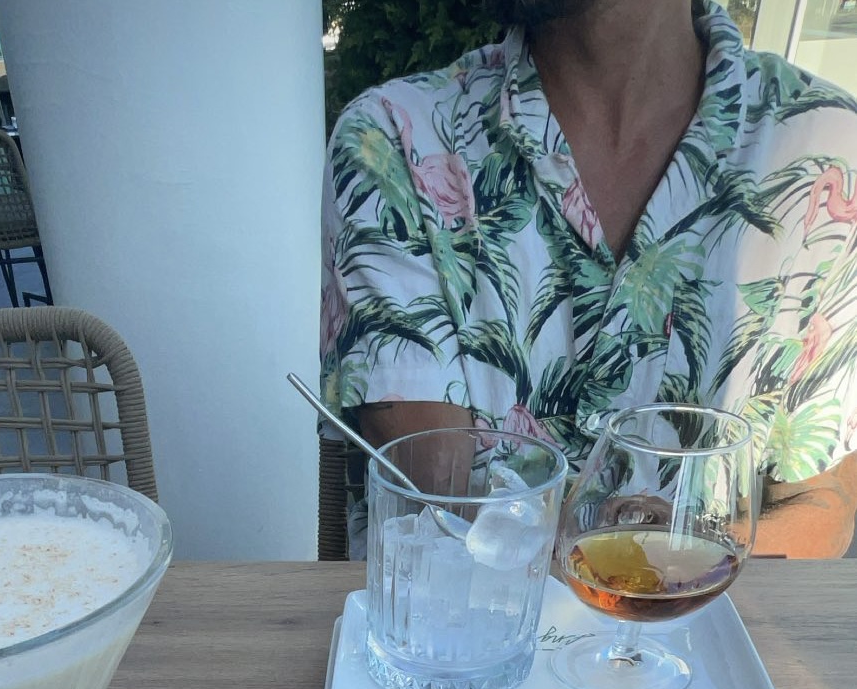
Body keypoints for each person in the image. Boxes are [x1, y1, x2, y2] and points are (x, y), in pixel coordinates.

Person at [321, 0, 857, 557]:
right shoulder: (397, 141)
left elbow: (820, 503)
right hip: (465, 615)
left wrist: (689, 549)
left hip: (707, 615)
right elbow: (440, 503)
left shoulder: (829, 150)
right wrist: (649, 552)